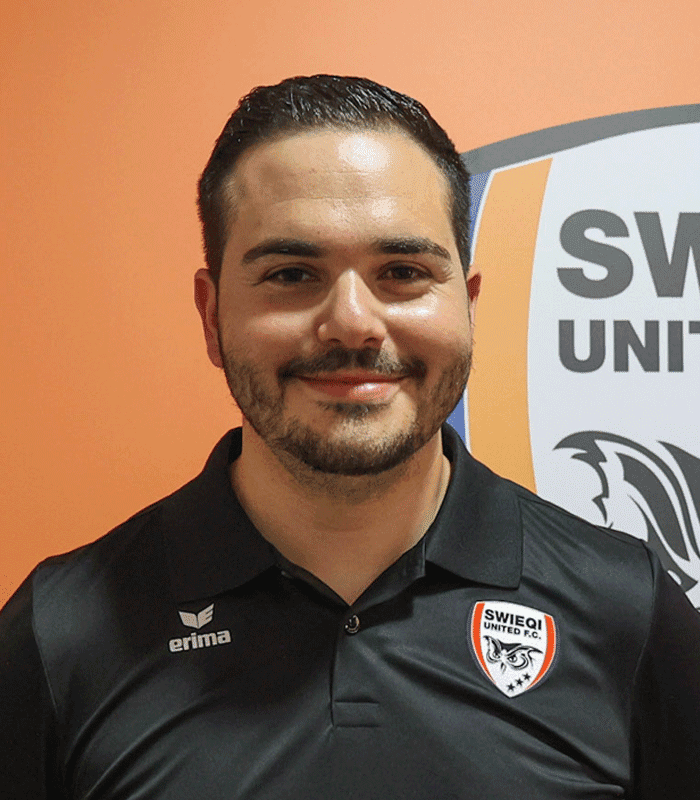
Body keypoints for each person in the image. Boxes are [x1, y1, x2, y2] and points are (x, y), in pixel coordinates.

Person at [1, 75, 699, 800]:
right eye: (292, 273)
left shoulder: (627, 610)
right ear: (212, 317)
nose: (354, 323)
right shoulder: (62, 633)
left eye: (402, 272)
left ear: (468, 305)